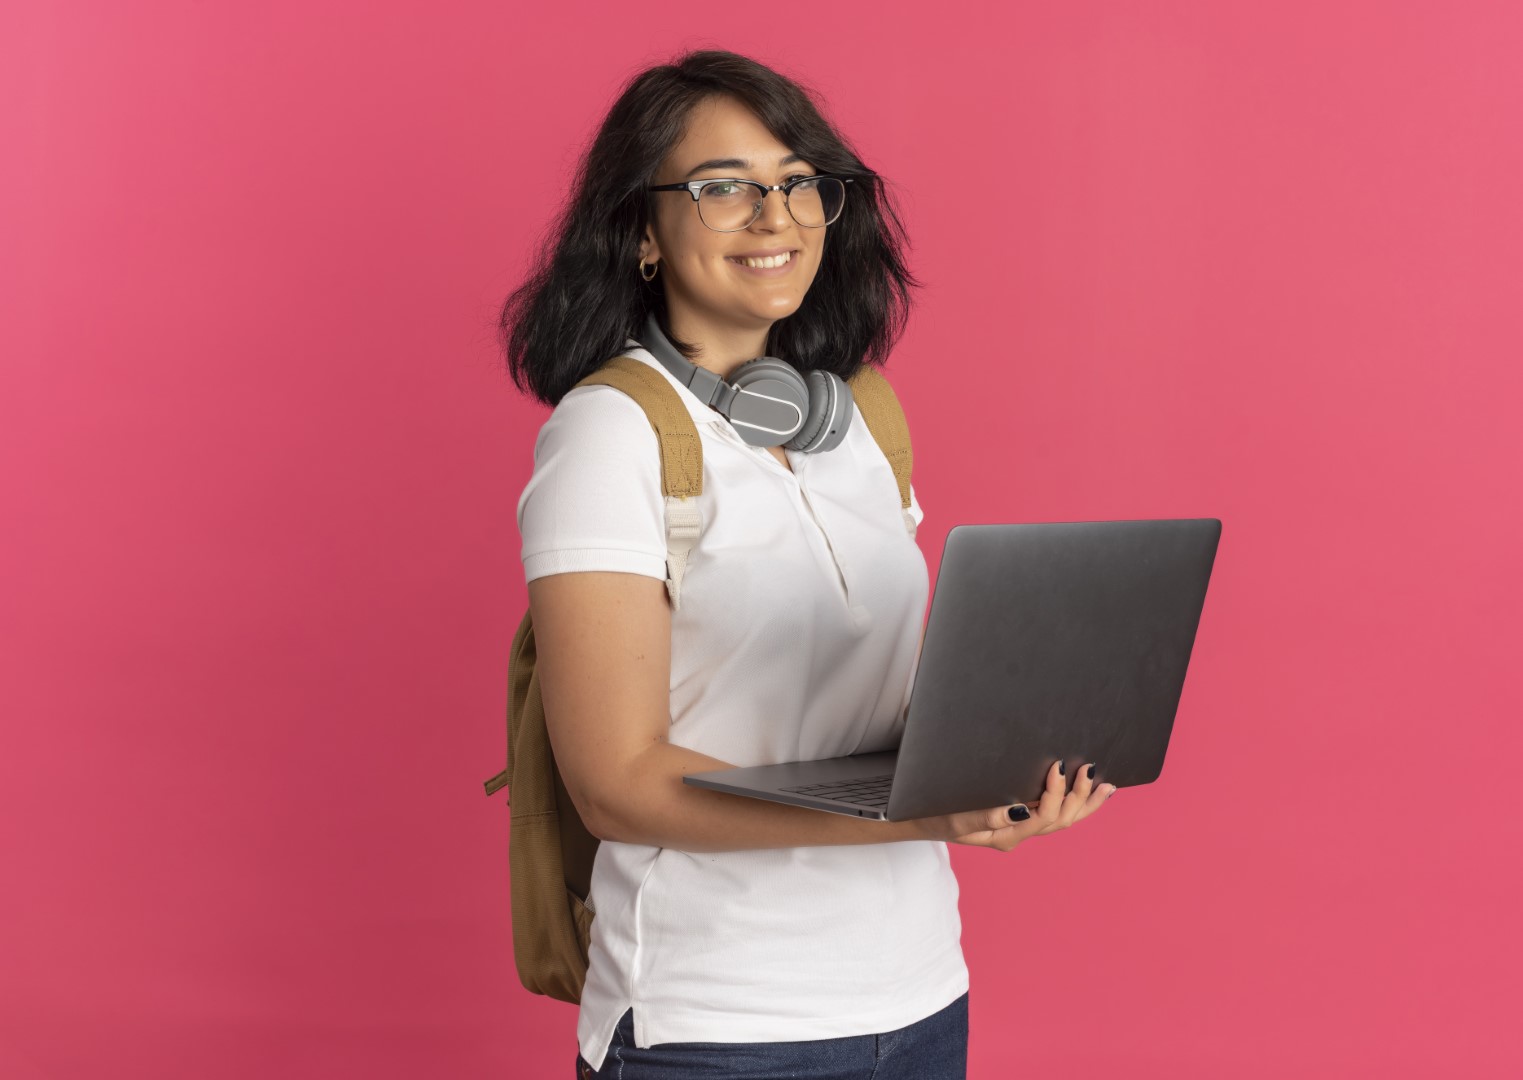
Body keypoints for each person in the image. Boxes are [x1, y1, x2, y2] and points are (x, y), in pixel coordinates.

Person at [499, 48, 1117, 1080]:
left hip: (918, 993)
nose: (774, 217)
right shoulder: (608, 436)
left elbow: (868, 707)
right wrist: (921, 813)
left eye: (797, 185)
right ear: (641, 232)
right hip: (715, 1023)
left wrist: (1000, 751)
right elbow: (615, 786)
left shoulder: (864, 415)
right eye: (723, 188)